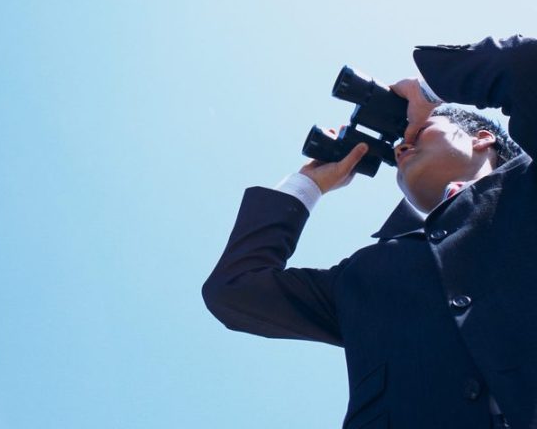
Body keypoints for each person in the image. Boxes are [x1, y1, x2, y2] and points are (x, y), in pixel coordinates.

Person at [202, 35, 537, 429]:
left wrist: (428, 92)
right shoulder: (368, 273)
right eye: (397, 145)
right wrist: (308, 185)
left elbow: (526, 65)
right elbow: (235, 290)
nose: (401, 147)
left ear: (482, 139)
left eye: (420, 131)